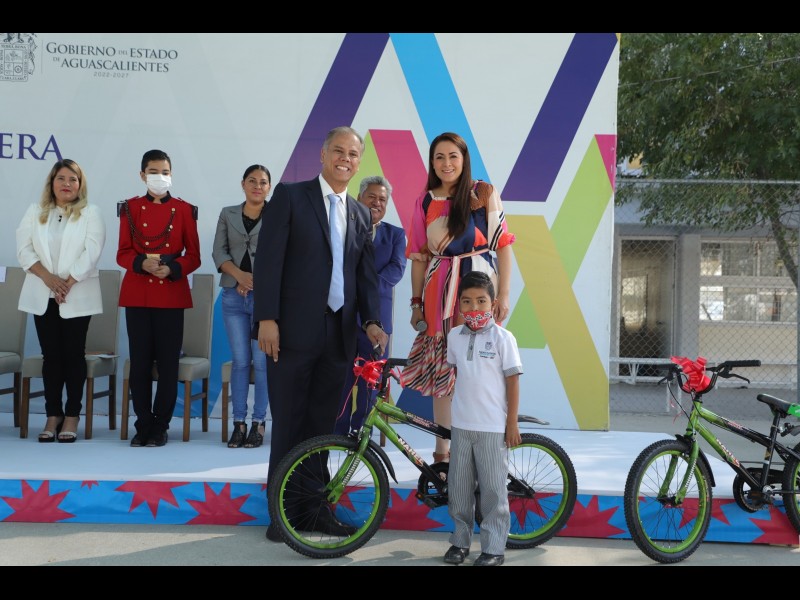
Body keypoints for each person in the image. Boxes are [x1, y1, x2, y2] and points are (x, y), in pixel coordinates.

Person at [254, 126, 388, 541]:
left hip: (338, 337)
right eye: (338, 151)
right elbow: (268, 261)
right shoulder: (290, 197)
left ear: (359, 162)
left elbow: (364, 276)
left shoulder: (360, 213)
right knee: (290, 423)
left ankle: (312, 511)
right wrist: (267, 319)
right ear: (323, 154)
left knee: (323, 430)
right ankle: (281, 517)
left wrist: (372, 320)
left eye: (353, 154)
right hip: (290, 334)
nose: (345, 159)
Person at [403, 132, 516, 464]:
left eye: (453, 156)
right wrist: (416, 303)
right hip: (438, 294)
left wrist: (503, 295)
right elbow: (420, 258)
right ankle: (443, 455)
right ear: (432, 162)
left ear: (464, 160)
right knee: (444, 374)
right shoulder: (425, 201)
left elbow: (503, 246)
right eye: (439, 157)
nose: (446, 163)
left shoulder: (483, 193)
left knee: (480, 371)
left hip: (479, 291)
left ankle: (482, 452)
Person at [16, 158, 106, 443]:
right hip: (43, 293)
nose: (67, 184)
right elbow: (24, 250)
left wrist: (66, 283)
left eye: (73, 179)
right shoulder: (35, 211)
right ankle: (52, 414)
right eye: (61, 178)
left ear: (80, 185)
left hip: (76, 294)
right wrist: (49, 279)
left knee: (73, 355)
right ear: (52, 183)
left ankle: (72, 415)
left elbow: (92, 251)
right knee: (51, 356)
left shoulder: (90, 213)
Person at [117, 149, 201, 448]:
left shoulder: (184, 209)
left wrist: (173, 268)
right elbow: (122, 253)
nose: (160, 177)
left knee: (168, 365)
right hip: (138, 294)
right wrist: (142, 263)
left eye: (165, 172)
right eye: (154, 172)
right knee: (140, 363)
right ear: (142, 175)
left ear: (171, 174)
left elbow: (194, 256)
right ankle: (143, 424)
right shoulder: (129, 208)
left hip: (170, 295)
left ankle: (161, 426)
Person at [443, 270, 522, 567]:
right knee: (459, 489)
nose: (474, 307)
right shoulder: (454, 336)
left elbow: (513, 381)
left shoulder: (504, 338)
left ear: (493, 304)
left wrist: (511, 423)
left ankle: (493, 548)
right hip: (461, 426)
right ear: (459, 305)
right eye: (467, 301)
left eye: (481, 301)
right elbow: (457, 373)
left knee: (492, 491)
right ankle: (459, 542)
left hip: (492, 428)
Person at [334, 175, 406, 435]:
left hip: (377, 322)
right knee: (341, 378)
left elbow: (396, 271)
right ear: (359, 198)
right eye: (371, 197)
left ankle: (362, 432)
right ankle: (337, 433)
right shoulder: (341, 229)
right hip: (342, 317)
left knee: (370, 381)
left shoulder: (396, 235)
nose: (377, 203)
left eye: (382, 199)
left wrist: (364, 288)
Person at [213, 164, 271, 448]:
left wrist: (255, 281)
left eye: (263, 182)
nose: (257, 186)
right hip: (233, 297)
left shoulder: (277, 214)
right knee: (240, 361)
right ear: (243, 184)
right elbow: (219, 251)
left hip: (265, 300)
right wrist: (240, 277)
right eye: (252, 181)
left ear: (268, 187)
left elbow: (281, 254)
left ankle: (259, 422)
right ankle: (239, 423)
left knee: (261, 363)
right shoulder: (228, 214)